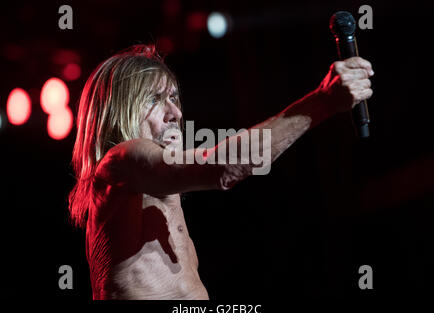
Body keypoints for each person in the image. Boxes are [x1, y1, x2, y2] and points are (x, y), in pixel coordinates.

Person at [68, 44, 373, 300]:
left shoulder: (159, 192)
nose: (176, 113)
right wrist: (321, 102)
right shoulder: (119, 160)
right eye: (154, 100)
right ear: (120, 109)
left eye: (174, 98)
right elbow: (223, 167)